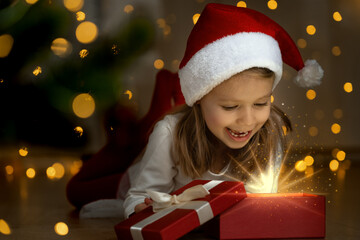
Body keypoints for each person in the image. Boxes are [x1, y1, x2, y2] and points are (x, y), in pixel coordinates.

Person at [75, 3, 324, 219]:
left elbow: (258, 201)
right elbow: (139, 195)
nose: (248, 120)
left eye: (261, 103)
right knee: (76, 191)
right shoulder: (168, 135)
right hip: (136, 170)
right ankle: (130, 136)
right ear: (199, 98)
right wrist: (141, 206)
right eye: (230, 106)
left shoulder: (269, 131)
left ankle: (158, 110)